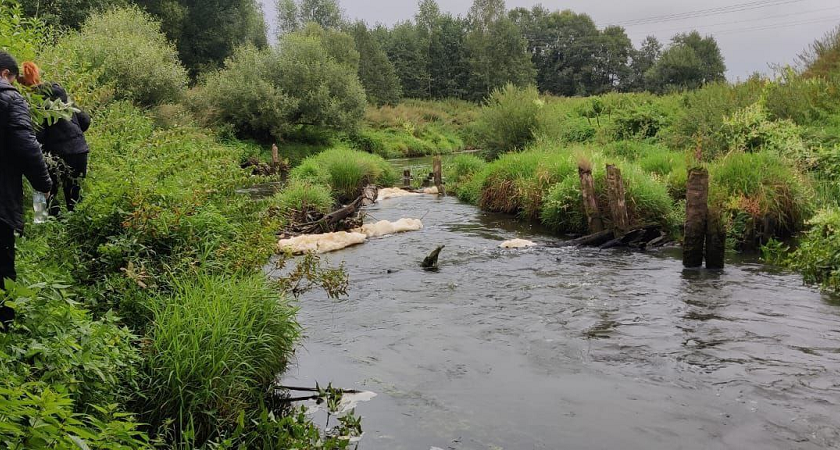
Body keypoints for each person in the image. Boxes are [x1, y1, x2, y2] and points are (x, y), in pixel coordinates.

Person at [0, 52, 53, 328]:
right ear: (7, 74)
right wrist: (43, 184)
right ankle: (5, 324)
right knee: (3, 265)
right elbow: (27, 146)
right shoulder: (12, 99)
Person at [19, 61, 90, 216]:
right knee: (75, 195)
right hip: (80, 150)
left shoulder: (34, 103)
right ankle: (76, 227)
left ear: (23, 85)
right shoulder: (61, 94)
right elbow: (85, 120)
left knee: (43, 189)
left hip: (56, 154)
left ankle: (44, 225)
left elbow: (39, 135)